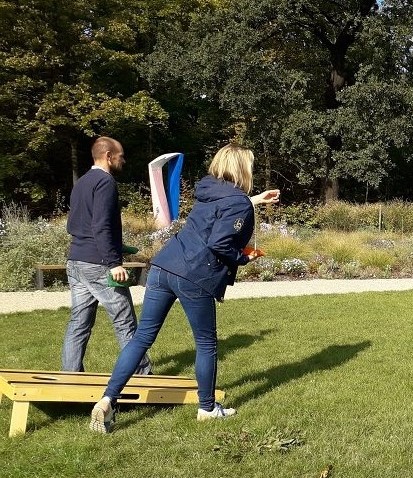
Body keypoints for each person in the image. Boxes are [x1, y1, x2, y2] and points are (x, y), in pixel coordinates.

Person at [89, 144, 280, 433]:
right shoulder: (236, 201)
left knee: (142, 338)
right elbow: (220, 243)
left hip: (164, 265)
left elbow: (220, 212)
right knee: (206, 343)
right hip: (195, 274)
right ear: (243, 168)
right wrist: (244, 258)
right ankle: (207, 408)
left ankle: (107, 400)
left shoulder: (209, 189)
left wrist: (254, 200)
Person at [62, 136, 152, 374]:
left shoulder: (82, 182)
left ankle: (71, 376)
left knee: (79, 323)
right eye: (121, 156)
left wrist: (117, 246)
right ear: (108, 156)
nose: (123, 160)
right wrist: (113, 263)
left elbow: (77, 224)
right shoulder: (105, 182)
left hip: (76, 261)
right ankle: (142, 375)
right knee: (125, 321)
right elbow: (100, 225)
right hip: (99, 264)